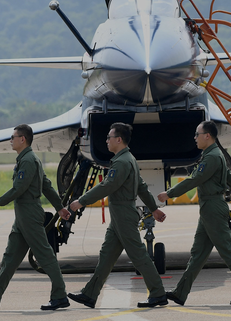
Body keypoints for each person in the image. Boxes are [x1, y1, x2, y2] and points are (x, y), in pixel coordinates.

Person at [156, 121, 231, 306]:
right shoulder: (215, 155)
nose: (195, 138)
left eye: (197, 134)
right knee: (198, 254)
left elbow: (195, 179)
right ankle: (180, 293)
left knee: (228, 251)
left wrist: (169, 193)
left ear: (208, 136)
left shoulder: (212, 157)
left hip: (213, 208)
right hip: (209, 208)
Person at [0, 124, 72, 312]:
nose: (11, 140)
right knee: (10, 258)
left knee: (44, 254)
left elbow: (19, 189)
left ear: (22, 139)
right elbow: (47, 186)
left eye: (13, 137)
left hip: (29, 213)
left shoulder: (28, 160)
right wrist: (59, 208)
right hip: (23, 215)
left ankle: (60, 296)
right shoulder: (28, 159)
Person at [67, 122, 168, 308]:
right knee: (106, 255)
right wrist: (153, 208)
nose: (106, 141)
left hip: (123, 214)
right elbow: (143, 188)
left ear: (119, 140)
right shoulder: (129, 159)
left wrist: (81, 201)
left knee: (138, 255)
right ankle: (90, 294)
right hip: (121, 214)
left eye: (109, 137)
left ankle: (158, 293)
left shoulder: (122, 162)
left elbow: (107, 186)